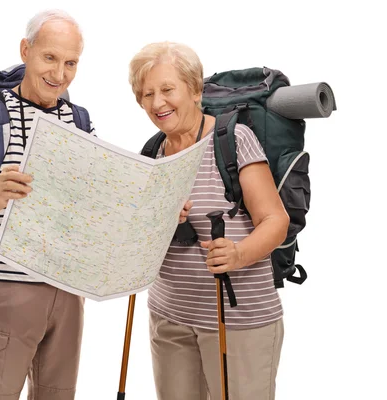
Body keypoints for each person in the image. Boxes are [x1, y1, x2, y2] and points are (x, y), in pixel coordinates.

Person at [129, 42, 290, 400]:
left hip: (238, 322)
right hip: (168, 317)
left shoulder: (233, 139)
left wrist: (239, 254)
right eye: (147, 93)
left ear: (195, 89)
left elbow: (275, 220)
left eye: (168, 89)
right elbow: (140, 236)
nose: (157, 103)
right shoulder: (151, 153)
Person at [0, 9, 96, 400]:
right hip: (9, 288)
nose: (60, 73)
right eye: (50, 58)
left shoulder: (80, 121)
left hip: (68, 290)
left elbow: (92, 203)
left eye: (71, 63)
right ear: (26, 50)